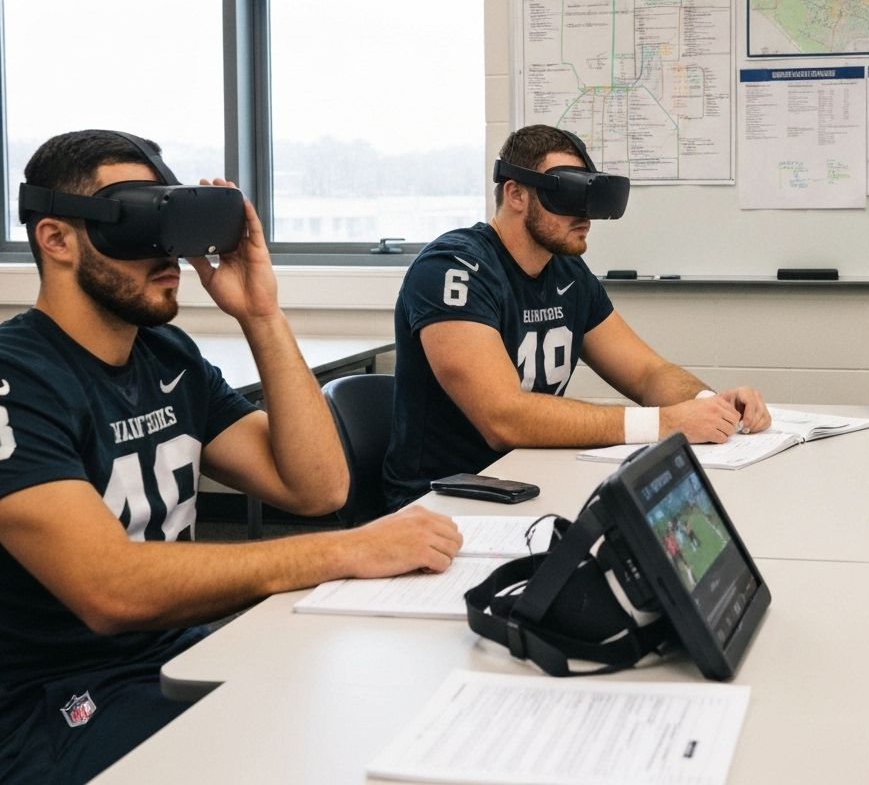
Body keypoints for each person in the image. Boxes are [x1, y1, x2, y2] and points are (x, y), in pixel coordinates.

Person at [0, 129, 462, 785]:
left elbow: (316, 489)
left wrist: (262, 314)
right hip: (55, 705)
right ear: (56, 238)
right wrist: (347, 550)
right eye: (139, 224)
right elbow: (109, 588)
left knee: (380, 706)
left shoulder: (169, 356)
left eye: (174, 223)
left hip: (174, 655)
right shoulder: (16, 381)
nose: (169, 255)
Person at [382, 124, 770, 511]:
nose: (585, 215)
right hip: (440, 501)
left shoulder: (569, 273)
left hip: (528, 479)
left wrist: (710, 405)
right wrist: (664, 423)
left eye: (590, 196)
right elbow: (503, 417)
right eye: (567, 194)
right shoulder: (454, 269)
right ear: (515, 193)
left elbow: (645, 372)